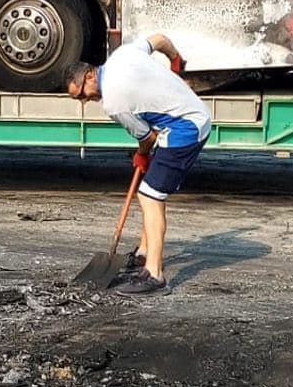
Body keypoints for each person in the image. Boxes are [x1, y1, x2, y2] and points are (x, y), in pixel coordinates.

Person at [64, 33, 211, 295]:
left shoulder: (113, 102)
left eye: (82, 95)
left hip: (185, 128)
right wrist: (175, 59)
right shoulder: (123, 54)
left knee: (150, 196)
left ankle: (154, 275)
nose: (86, 101)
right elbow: (160, 39)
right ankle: (144, 252)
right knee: (149, 189)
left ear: (88, 76)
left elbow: (148, 137)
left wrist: (142, 155)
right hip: (190, 115)